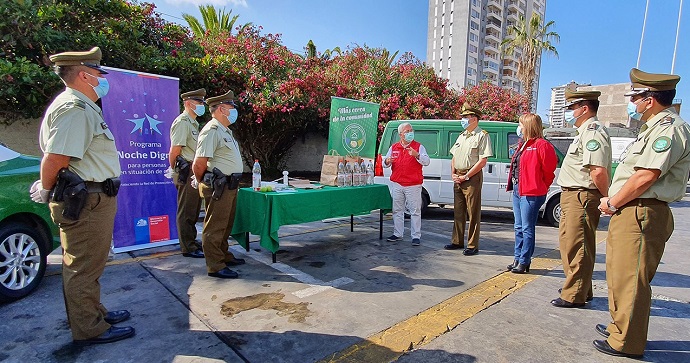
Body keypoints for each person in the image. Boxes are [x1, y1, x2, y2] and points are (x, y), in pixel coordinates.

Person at [29, 47, 135, 345]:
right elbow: (56, 158)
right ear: (84, 75)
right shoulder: (73, 108)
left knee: (91, 263)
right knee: (82, 266)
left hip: (94, 198)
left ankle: (93, 313)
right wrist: (47, 188)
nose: (103, 79)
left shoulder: (83, 107)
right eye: (99, 73)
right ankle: (89, 328)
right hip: (86, 200)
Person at [593, 68, 690, 359]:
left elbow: (645, 177)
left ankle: (626, 342)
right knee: (619, 276)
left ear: (650, 100)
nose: (632, 103)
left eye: (636, 97)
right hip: (632, 209)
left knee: (631, 279)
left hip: (642, 210)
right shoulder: (652, 128)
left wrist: (612, 202)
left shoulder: (669, 128)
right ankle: (619, 327)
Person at [552, 90, 612, 308]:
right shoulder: (583, 132)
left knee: (579, 245)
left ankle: (575, 294)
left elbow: (598, 171)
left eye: (571, 108)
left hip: (582, 195)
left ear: (584, 109)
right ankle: (579, 287)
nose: (569, 112)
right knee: (569, 244)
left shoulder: (594, 132)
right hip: (571, 194)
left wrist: (607, 198)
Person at [192, 90, 246, 279]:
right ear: (222, 109)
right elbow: (199, 164)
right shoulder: (211, 130)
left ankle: (224, 255)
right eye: (232, 107)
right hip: (219, 186)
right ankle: (215, 265)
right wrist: (205, 182)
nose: (234, 111)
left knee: (225, 224)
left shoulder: (225, 131)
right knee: (215, 226)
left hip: (229, 186)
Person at [506, 113, 557, 273]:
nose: (519, 127)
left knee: (527, 228)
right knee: (518, 226)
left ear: (528, 126)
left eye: (521, 124)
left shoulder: (542, 145)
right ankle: (518, 258)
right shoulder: (523, 144)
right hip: (518, 189)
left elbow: (549, 171)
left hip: (531, 192)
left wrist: (541, 185)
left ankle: (524, 260)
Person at [445, 104, 493, 255]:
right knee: (458, 211)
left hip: (471, 177)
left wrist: (466, 176)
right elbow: (454, 156)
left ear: (474, 118)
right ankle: (457, 241)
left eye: (465, 117)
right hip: (458, 176)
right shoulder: (462, 135)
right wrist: (453, 173)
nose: (463, 120)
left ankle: (472, 245)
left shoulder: (482, 135)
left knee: (473, 212)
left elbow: (482, 161)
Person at [166, 88, 206, 258]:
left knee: (194, 208)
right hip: (186, 170)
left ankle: (191, 240)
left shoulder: (193, 123)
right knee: (186, 210)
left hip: (193, 169)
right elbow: (174, 151)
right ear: (188, 104)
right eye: (199, 103)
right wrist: (178, 170)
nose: (202, 106)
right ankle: (187, 247)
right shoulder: (183, 122)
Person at [382, 122, 431, 246]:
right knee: (397, 210)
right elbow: (385, 163)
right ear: (401, 134)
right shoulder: (394, 147)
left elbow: (426, 161)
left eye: (411, 130)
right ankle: (397, 233)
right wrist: (387, 161)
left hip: (413, 184)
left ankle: (416, 236)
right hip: (397, 183)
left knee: (415, 211)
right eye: (407, 131)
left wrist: (417, 155)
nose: (410, 133)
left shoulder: (418, 147)